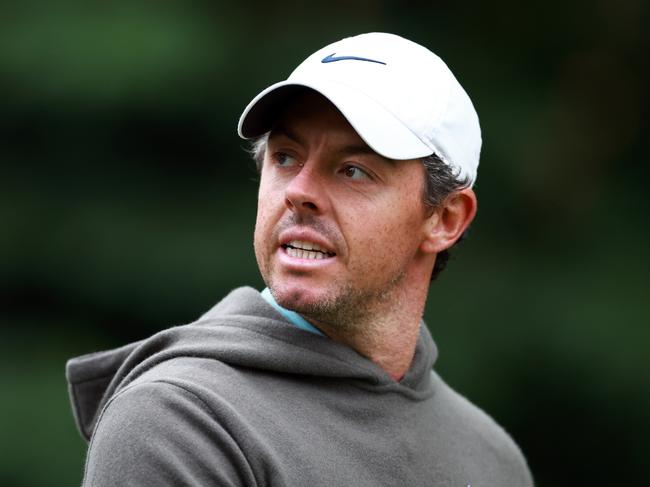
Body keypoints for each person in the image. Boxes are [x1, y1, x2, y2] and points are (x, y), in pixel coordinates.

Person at [66, 33, 533, 486]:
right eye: (285, 157)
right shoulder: (181, 424)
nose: (299, 192)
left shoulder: (491, 457)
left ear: (445, 219)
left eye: (353, 170)